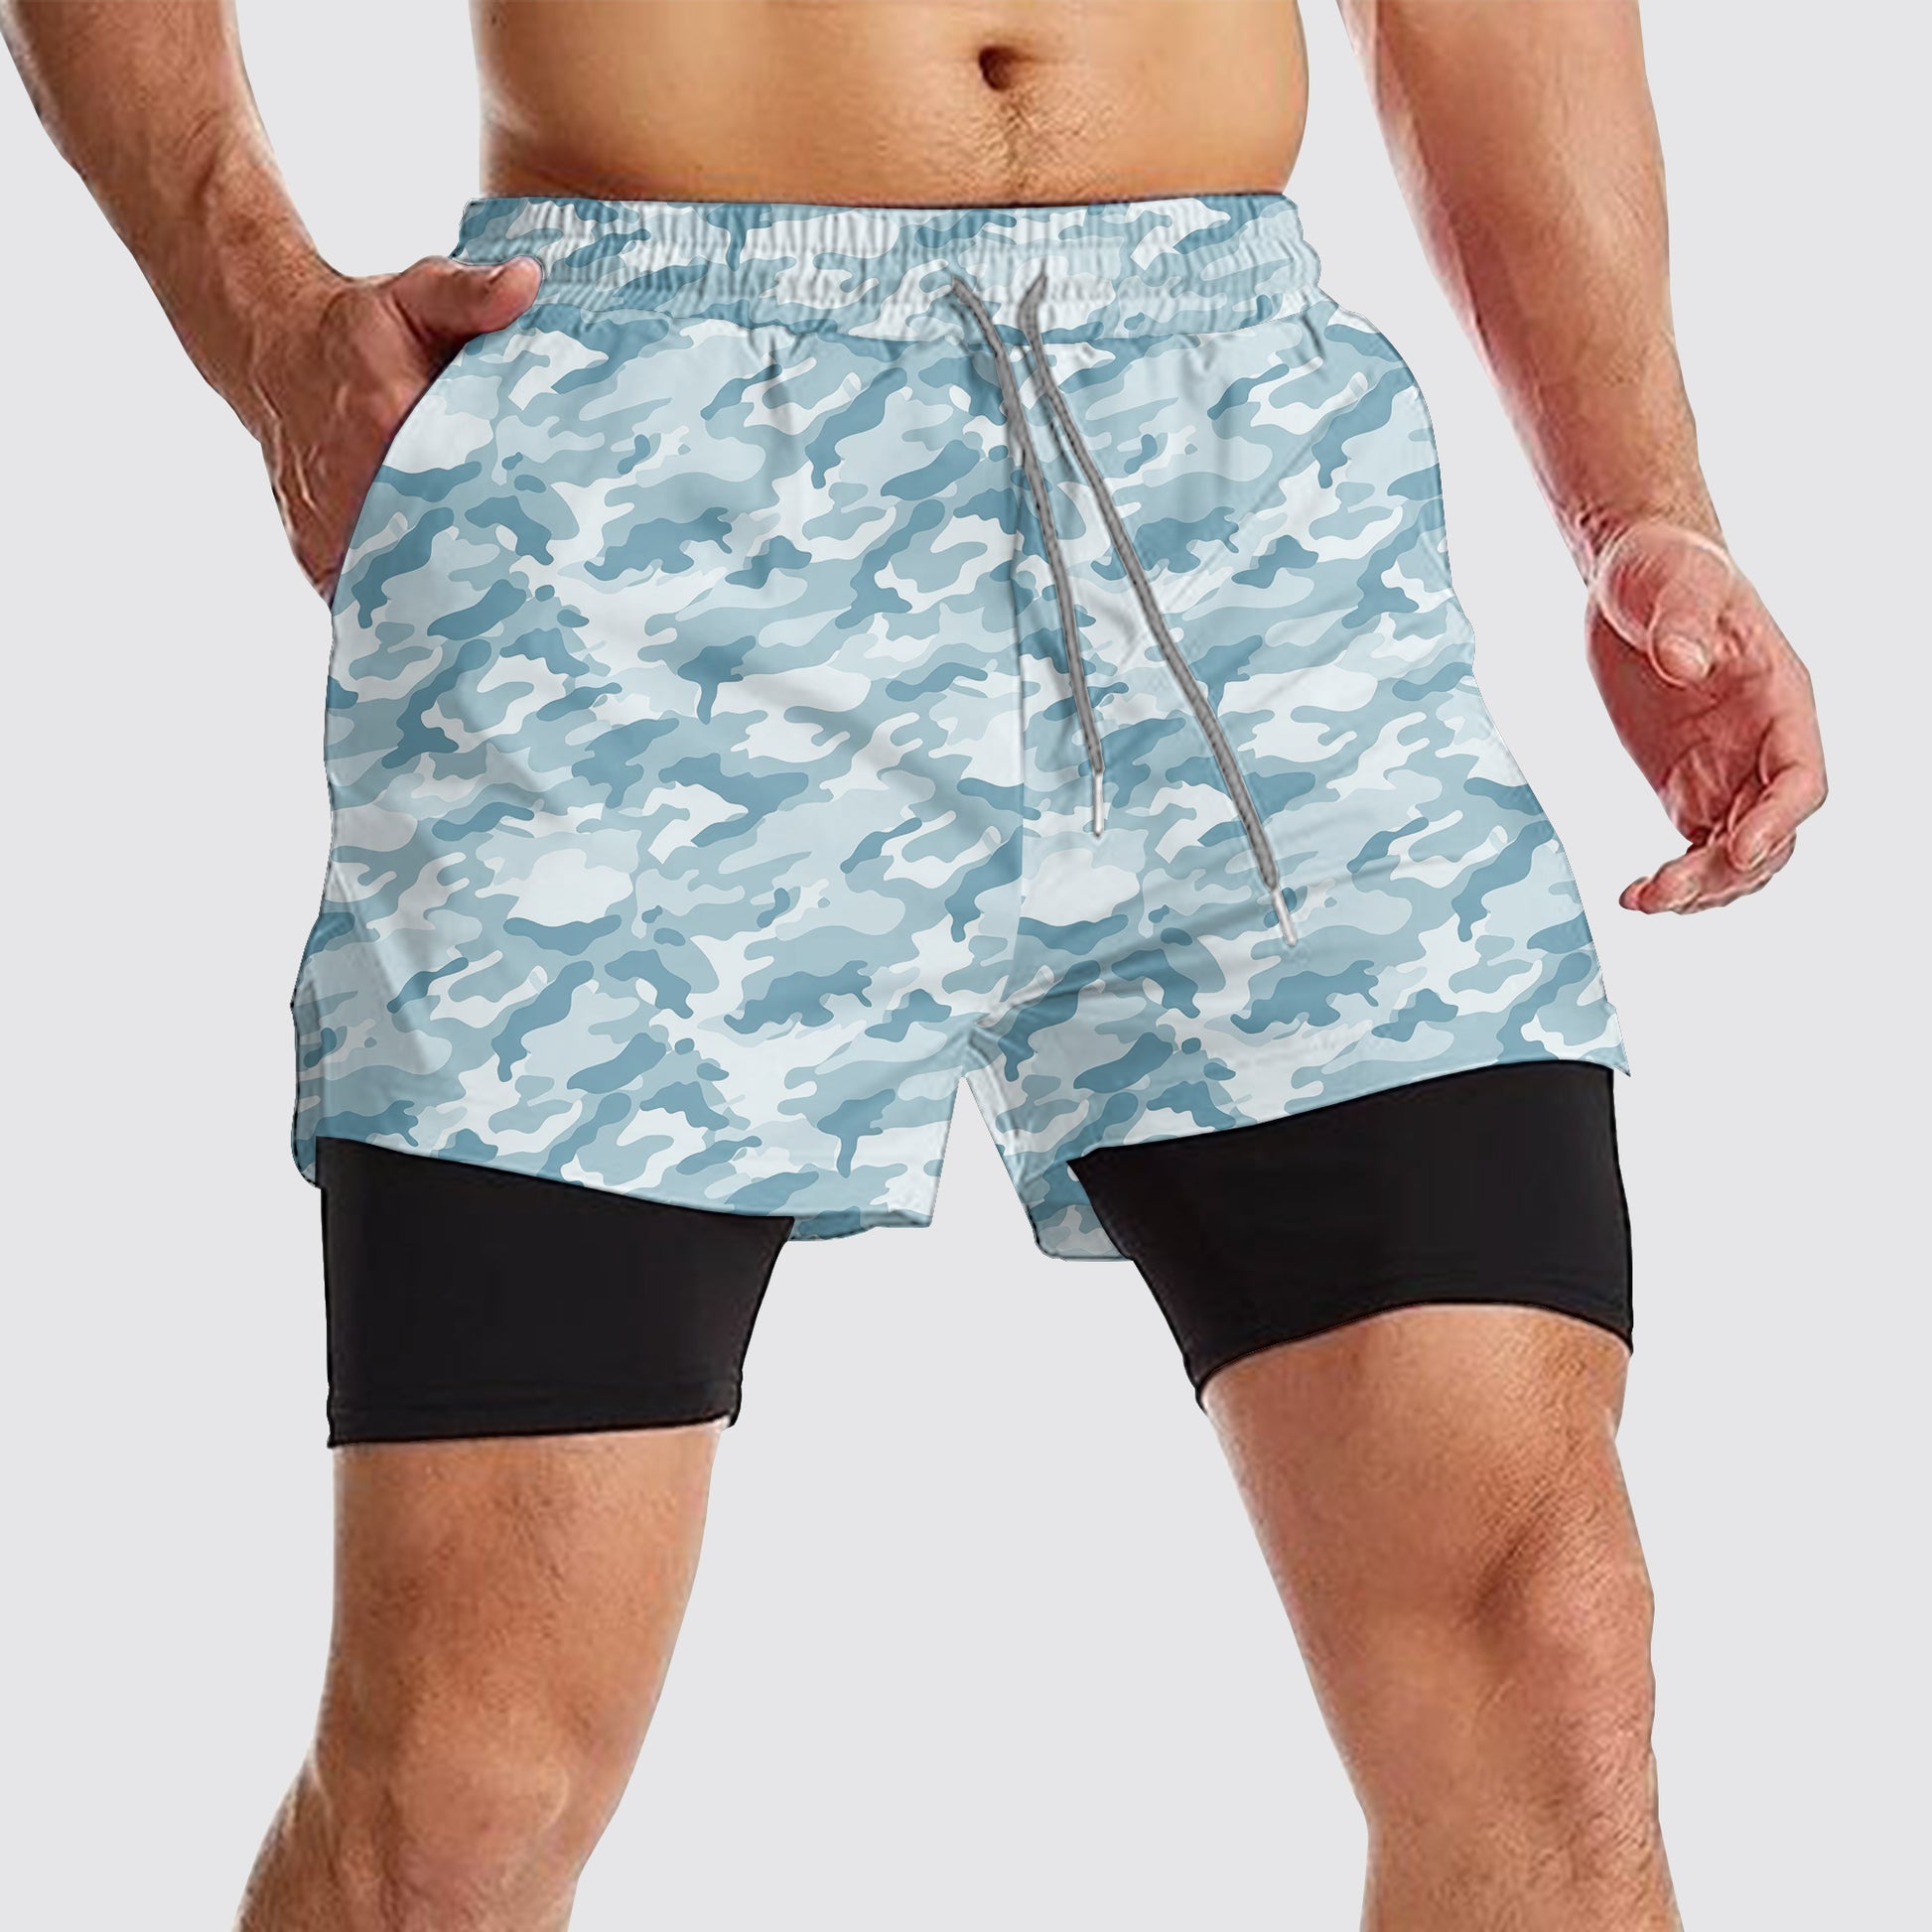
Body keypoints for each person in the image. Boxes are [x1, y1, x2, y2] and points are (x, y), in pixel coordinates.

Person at [2, 3, 1826, 1928]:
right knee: (464, 1786)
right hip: (656, 490)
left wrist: (1635, 503)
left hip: (1244, 488)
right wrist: (266, 319)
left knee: (1546, 1653)